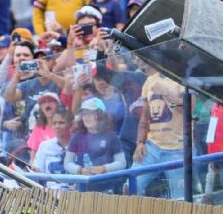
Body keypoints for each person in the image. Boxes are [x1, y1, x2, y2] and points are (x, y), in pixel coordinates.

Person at [132, 68, 185, 199]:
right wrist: (140, 142)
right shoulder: (149, 81)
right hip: (152, 147)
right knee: (131, 186)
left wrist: (166, 92)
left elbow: (188, 109)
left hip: (178, 149)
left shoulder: (182, 78)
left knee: (180, 198)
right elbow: (145, 116)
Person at [64, 98, 125, 192]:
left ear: (101, 115)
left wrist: (104, 169)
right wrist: (80, 170)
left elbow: (121, 163)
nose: (86, 117)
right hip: (83, 189)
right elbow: (67, 163)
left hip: (107, 189)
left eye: (91, 113)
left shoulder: (111, 136)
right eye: (84, 114)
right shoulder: (77, 136)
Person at [33, 109, 74, 178]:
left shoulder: (79, 145)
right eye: (54, 123)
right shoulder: (44, 146)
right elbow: (37, 171)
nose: (57, 126)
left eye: (61, 123)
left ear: (71, 125)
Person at [27, 91, 61, 164]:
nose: (47, 104)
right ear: (41, 108)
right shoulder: (38, 127)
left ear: (58, 105)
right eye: (44, 102)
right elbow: (34, 152)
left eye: (51, 101)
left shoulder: (65, 126)